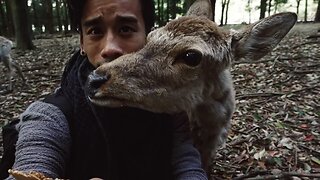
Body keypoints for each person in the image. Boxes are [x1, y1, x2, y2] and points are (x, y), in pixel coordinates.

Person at [3, 0, 208, 179]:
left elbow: (186, 162)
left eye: (125, 29)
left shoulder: (169, 105)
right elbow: (33, 167)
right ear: (82, 42)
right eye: (95, 31)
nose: (110, 47)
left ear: (148, 36)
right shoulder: (50, 116)